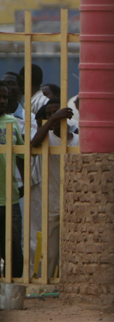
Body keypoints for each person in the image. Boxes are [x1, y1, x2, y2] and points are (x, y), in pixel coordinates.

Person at [28, 100, 75, 280]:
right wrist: (52, 119)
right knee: (50, 251)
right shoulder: (46, 138)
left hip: (73, 203)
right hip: (52, 202)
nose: (54, 118)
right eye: (50, 114)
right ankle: (46, 284)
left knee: (73, 249)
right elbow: (33, 145)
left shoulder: (78, 139)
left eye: (58, 113)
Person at [0, 81, 24, 278]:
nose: (2, 101)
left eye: (5, 97)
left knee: (14, 247)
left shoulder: (12, 122)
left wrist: (23, 182)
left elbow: (22, 155)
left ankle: (13, 288)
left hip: (10, 198)